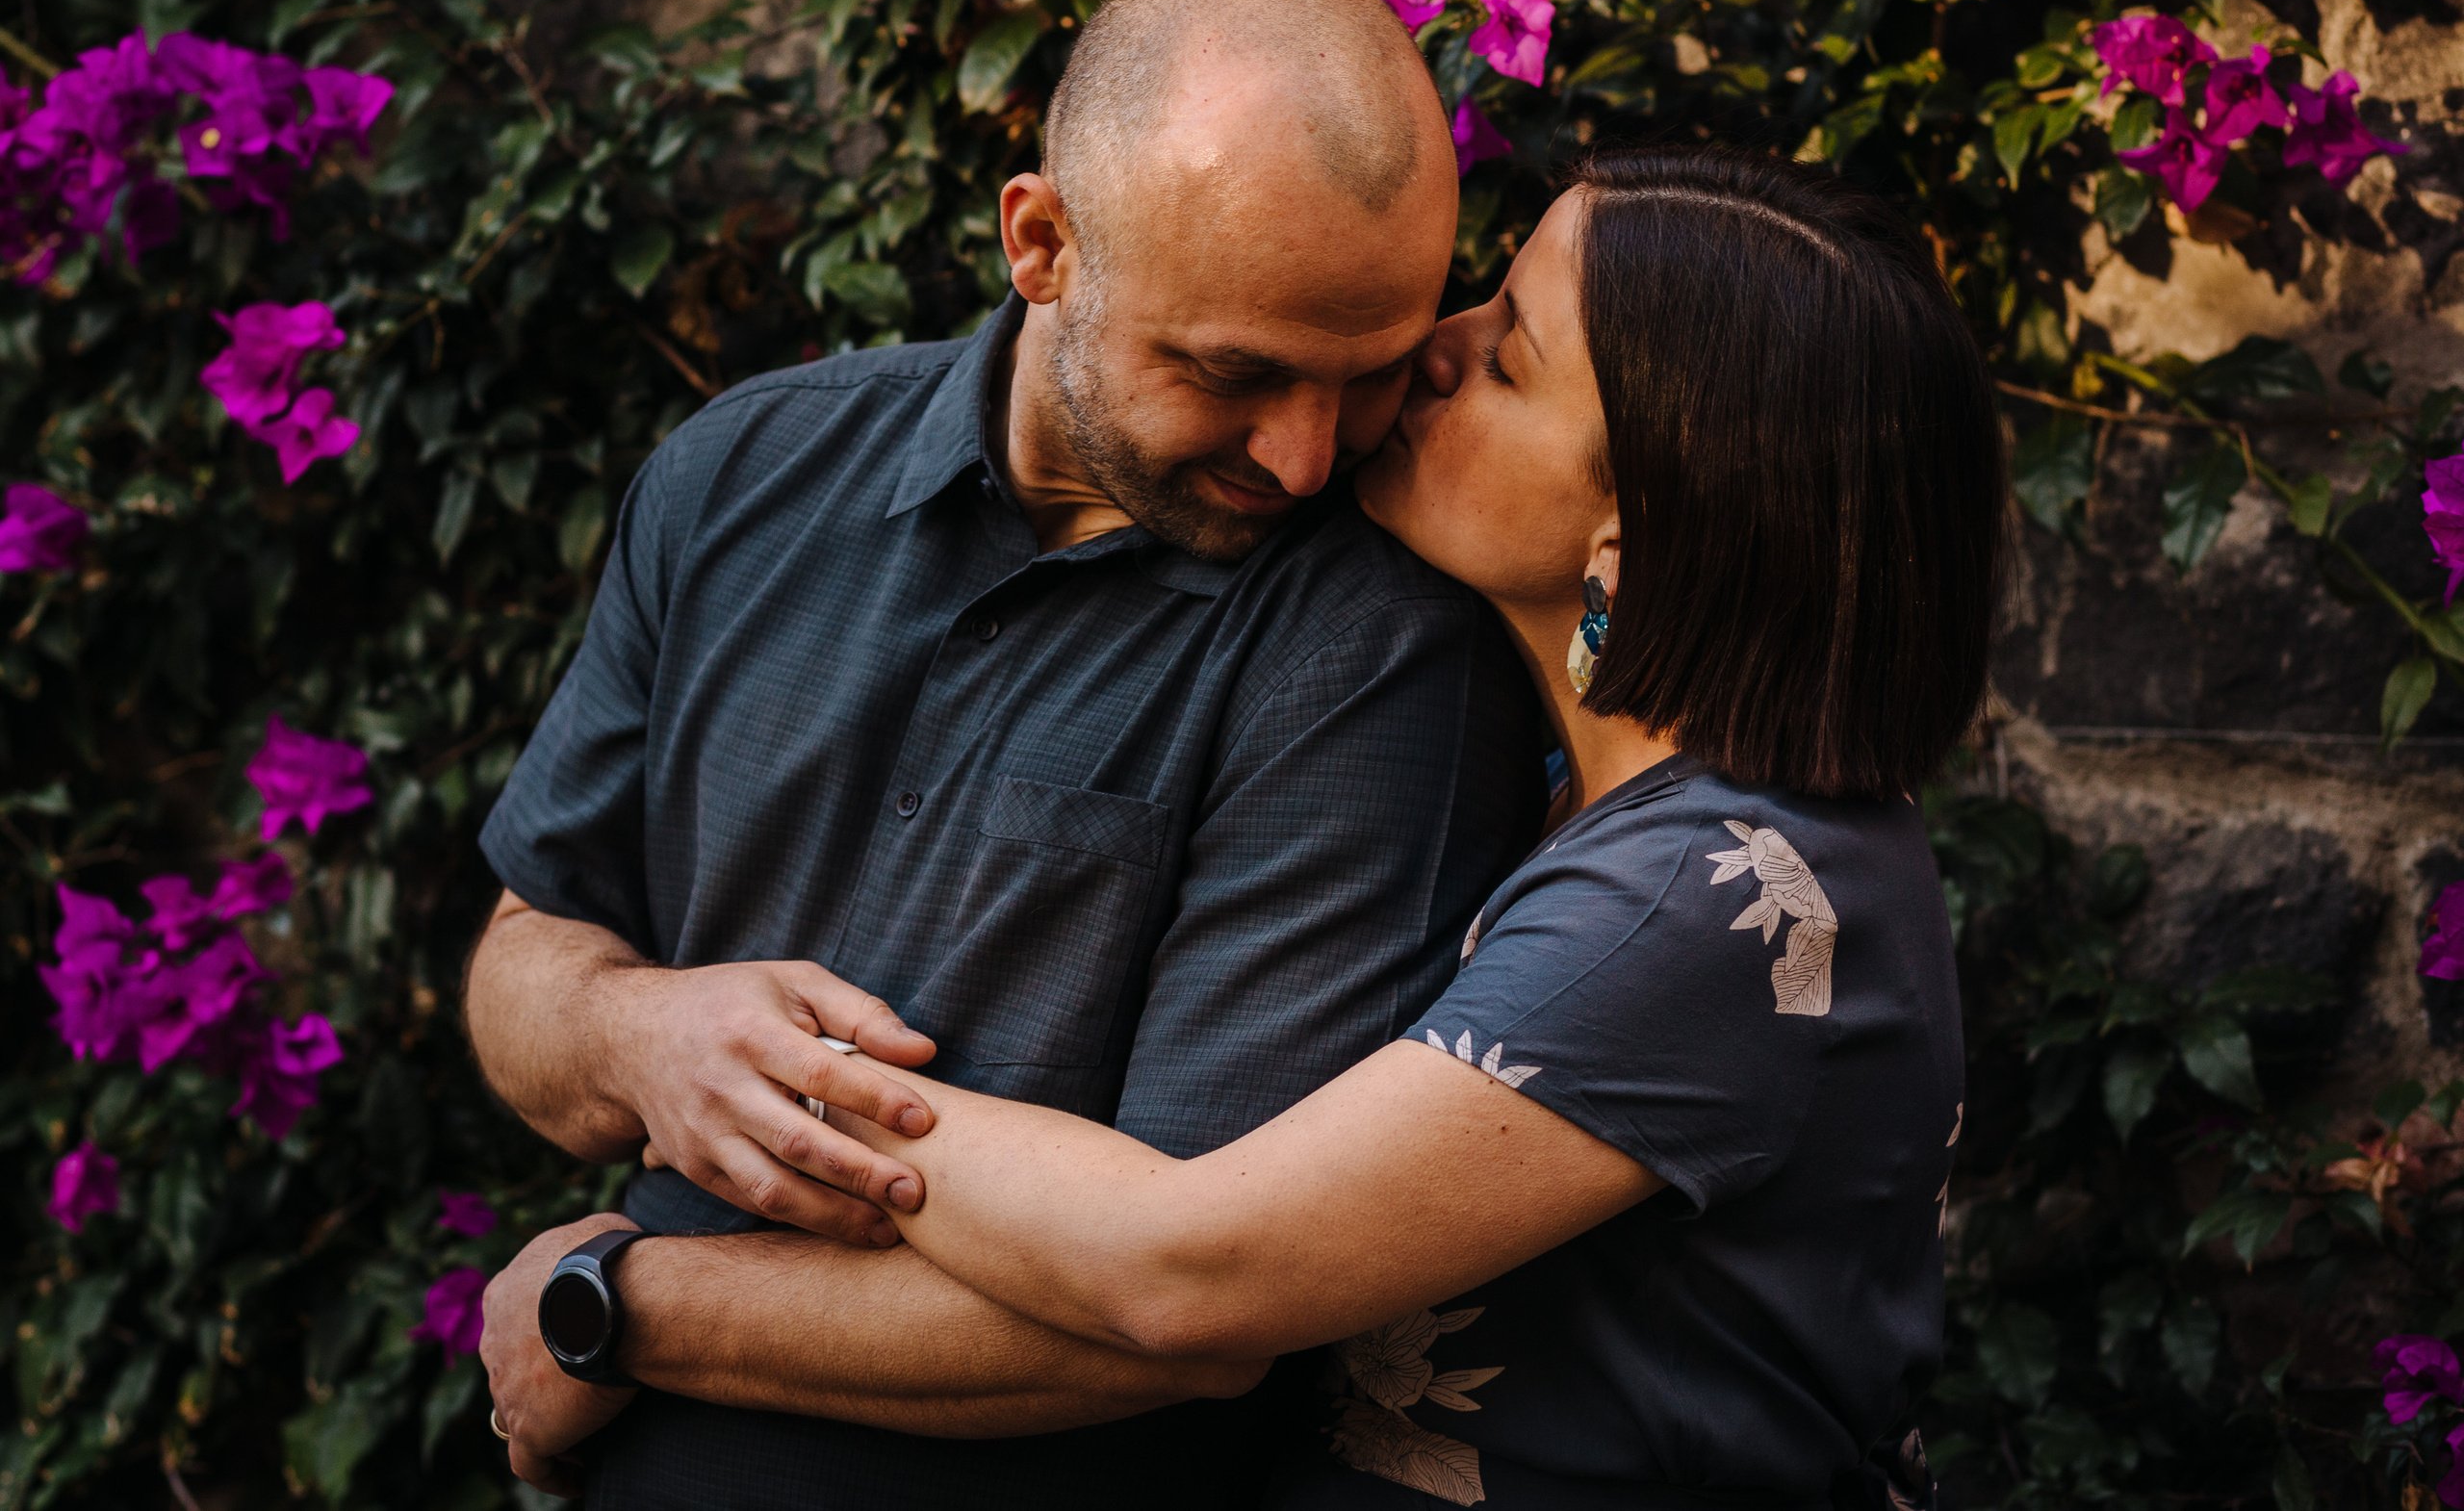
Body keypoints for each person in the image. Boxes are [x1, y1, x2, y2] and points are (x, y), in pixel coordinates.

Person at [487, 145, 2003, 1510]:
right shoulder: (1637, 820)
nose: (1431, 351)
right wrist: (638, 1036)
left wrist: (714, 1144)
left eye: (1511, 362)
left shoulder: (1711, 889)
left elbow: (1186, 1271)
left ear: (1632, 532)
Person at [464, 0, 1548, 1510]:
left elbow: (1184, 1316)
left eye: (1369, 376)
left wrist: (617, 1309)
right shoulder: (736, 477)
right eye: (1234, 373)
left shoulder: (1382, 644)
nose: (1310, 460)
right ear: (1041, 241)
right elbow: (527, 952)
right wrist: (638, 1032)